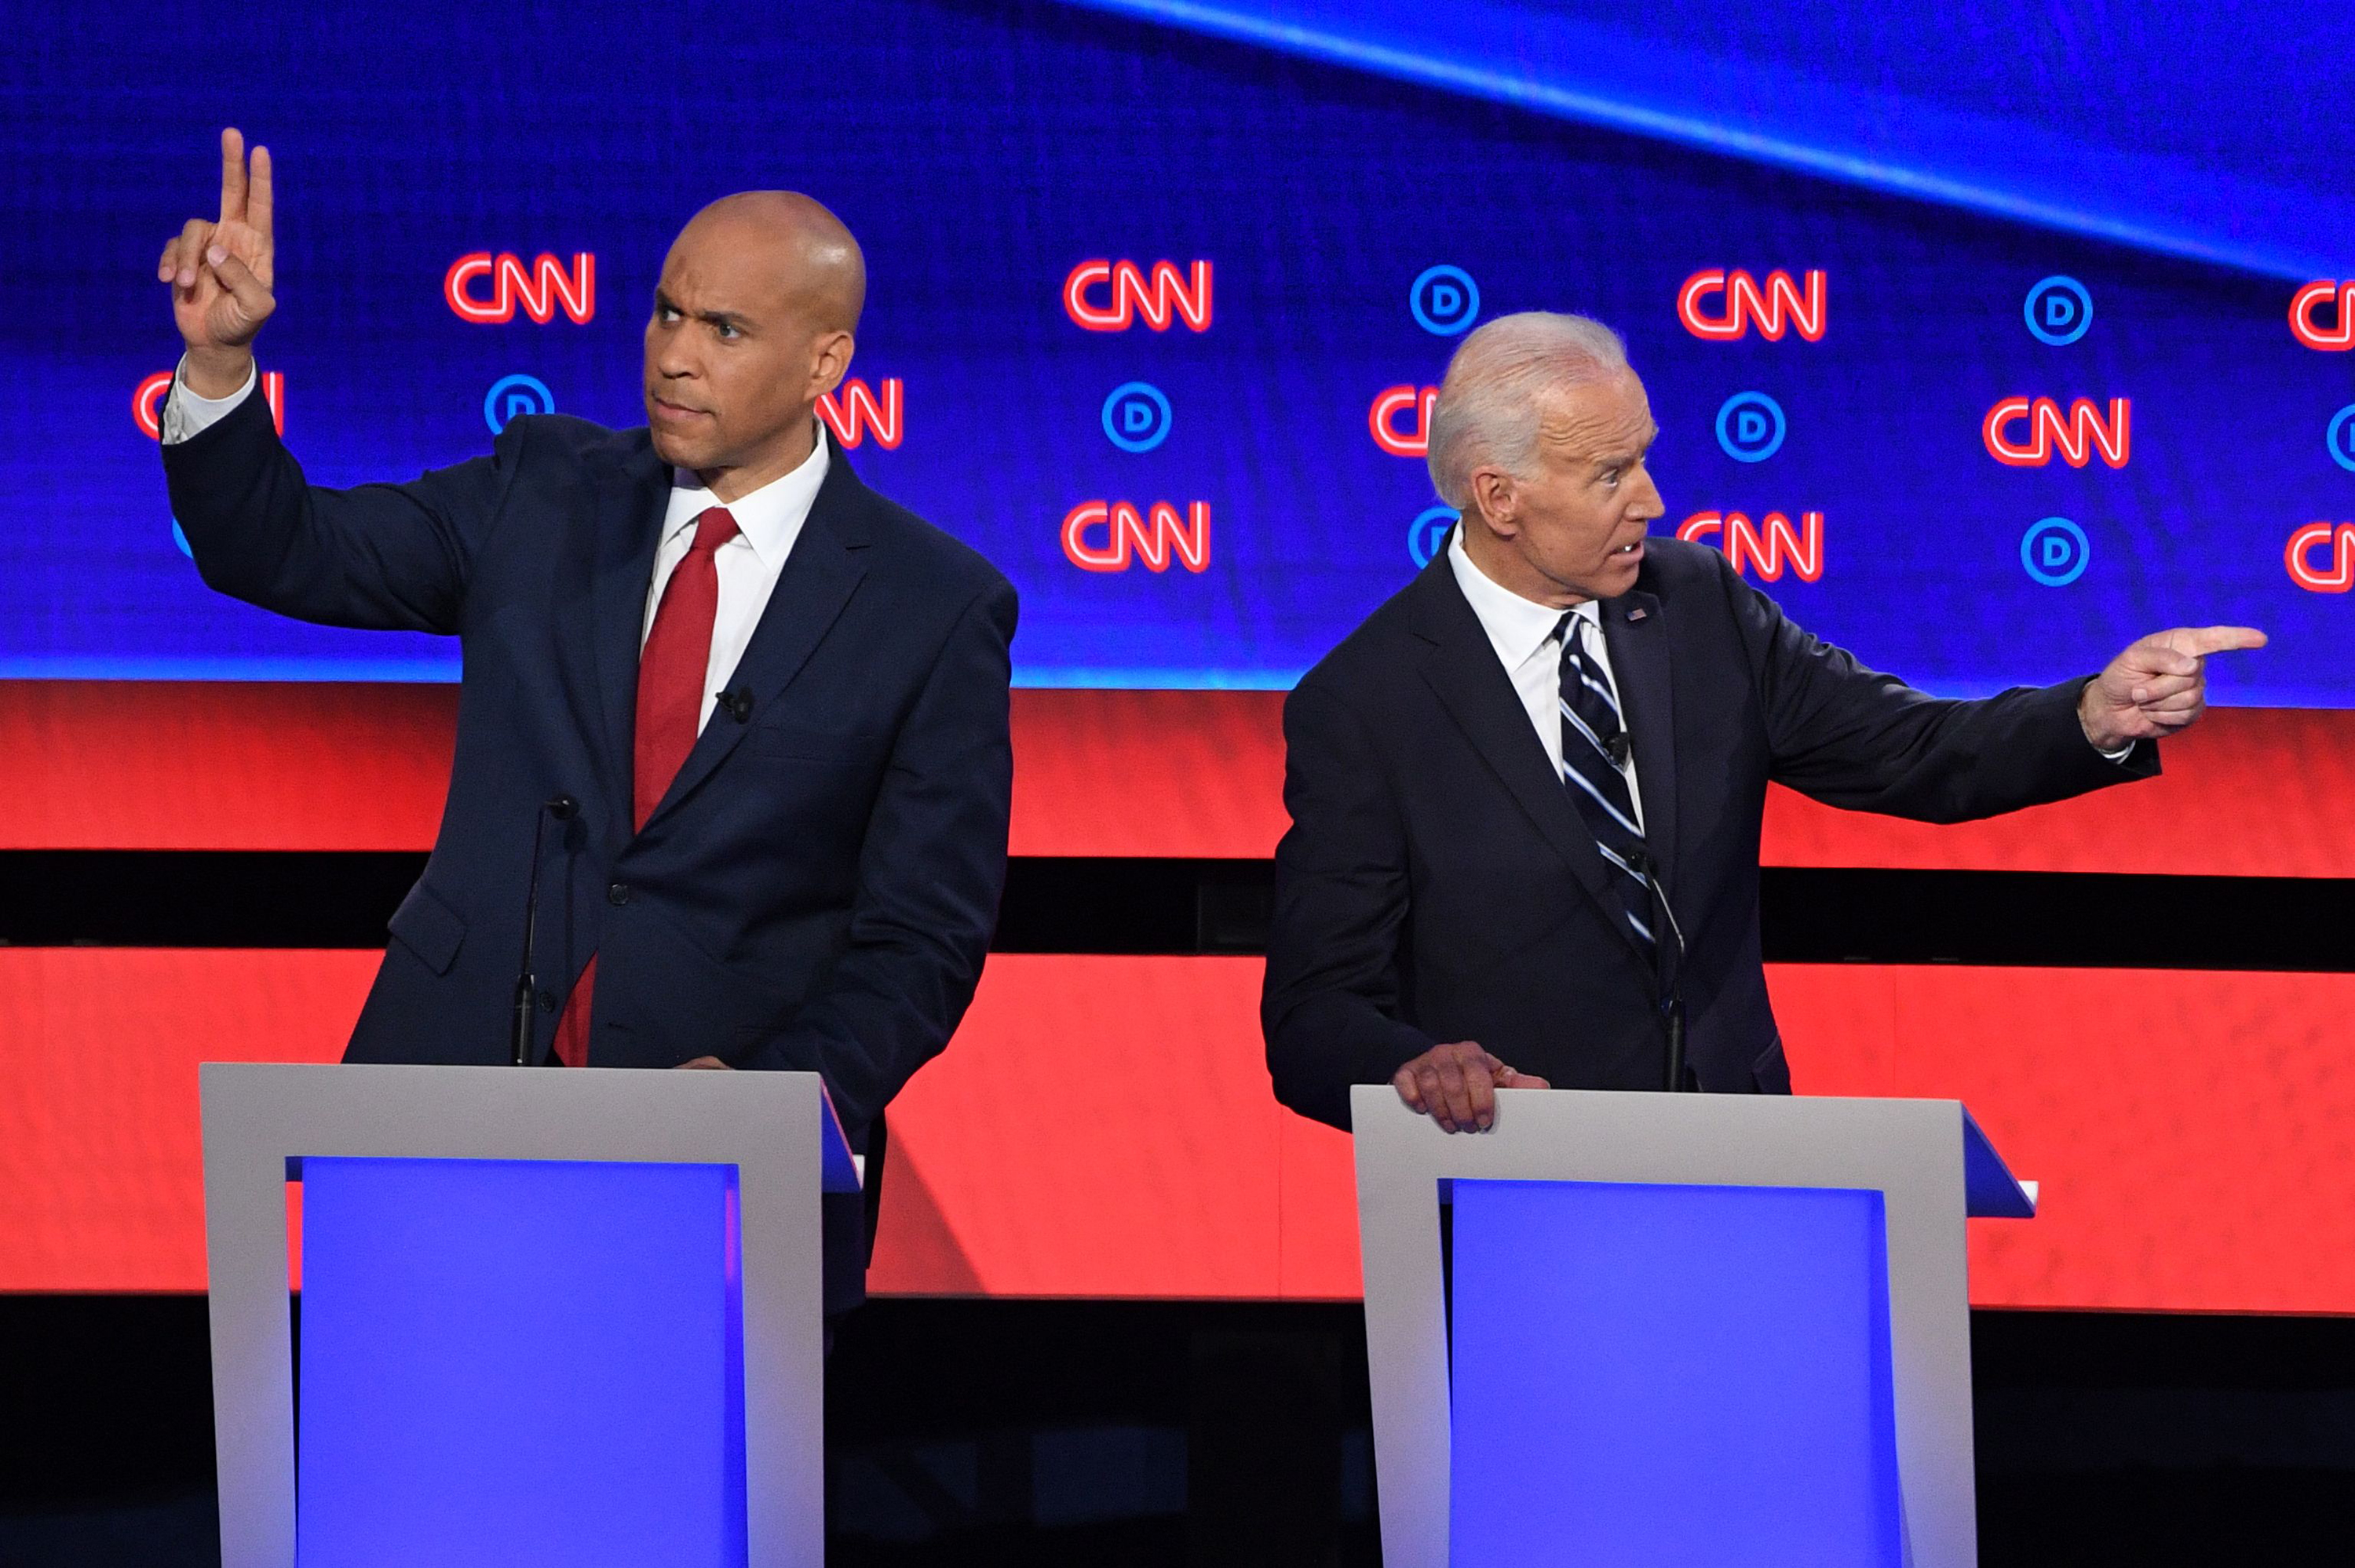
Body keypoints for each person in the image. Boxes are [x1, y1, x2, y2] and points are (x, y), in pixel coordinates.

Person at [158, 129, 1018, 1311]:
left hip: (718, 1175)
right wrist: (219, 369)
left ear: (827, 361)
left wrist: (776, 1090)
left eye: (724, 330)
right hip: (443, 1109)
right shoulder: (545, 487)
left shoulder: (932, 605)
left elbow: (924, 936)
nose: (672, 356)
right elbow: (286, 548)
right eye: (666, 314)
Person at [1262, 311, 2263, 1134]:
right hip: (1521, 1181)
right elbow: (1314, 1018)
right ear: (1500, 498)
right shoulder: (1368, 705)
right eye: (1609, 475)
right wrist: (1416, 1067)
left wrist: (2092, 714)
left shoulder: (1694, 605)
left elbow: (1908, 751)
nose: (1650, 500)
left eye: (1642, 461)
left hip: (1735, 1154)